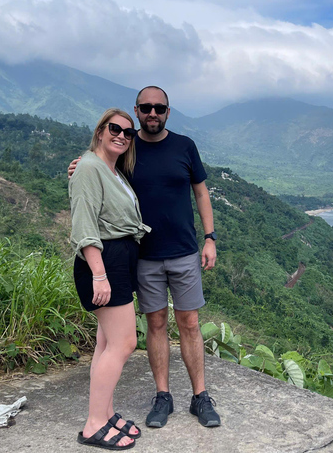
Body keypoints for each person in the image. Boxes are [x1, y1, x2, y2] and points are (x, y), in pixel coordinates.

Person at [69, 86, 220, 428]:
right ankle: (162, 396)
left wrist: (210, 238)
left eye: (160, 108)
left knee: (190, 323)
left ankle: (200, 396)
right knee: (155, 324)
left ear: (168, 112)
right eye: (146, 108)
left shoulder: (185, 146)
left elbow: (201, 192)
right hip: (144, 257)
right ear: (136, 111)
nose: (153, 113)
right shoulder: (127, 145)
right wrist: (77, 167)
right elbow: (98, 166)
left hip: (184, 251)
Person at [69, 108, 150, 450]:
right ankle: (94, 425)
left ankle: (105, 413)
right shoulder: (89, 167)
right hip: (104, 263)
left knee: (105, 344)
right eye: (114, 128)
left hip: (118, 261)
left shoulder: (112, 170)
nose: (121, 135)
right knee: (124, 343)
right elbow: (85, 226)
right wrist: (99, 275)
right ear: (100, 131)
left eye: (128, 133)